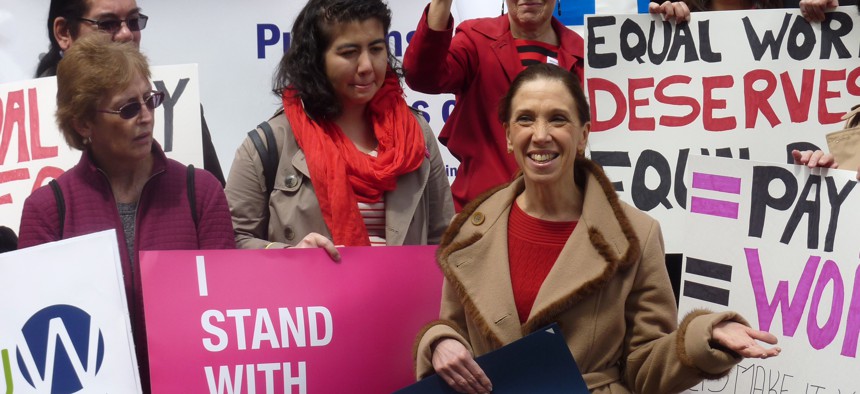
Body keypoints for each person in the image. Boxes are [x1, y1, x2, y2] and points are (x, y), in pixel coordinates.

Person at [414, 64, 780, 394]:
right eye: (526, 119)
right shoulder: (474, 229)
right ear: (509, 135)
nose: (541, 135)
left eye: (558, 119)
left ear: (584, 133)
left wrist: (705, 336)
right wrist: (440, 341)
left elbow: (644, 367)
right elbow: (455, 328)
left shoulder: (637, 233)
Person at [18, 34, 235, 393]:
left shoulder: (202, 191)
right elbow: (40, 341)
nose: (147, 117)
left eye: (150, 101)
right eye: (128, 109)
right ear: (83, 124)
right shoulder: (46, 211)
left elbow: (228, 312)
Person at [404, 0, 688, 211]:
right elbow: (422, 76)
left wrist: (666, 33)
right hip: (482, 217)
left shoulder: (591, 56)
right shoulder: (476, 40)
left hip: (562, 222)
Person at [225, 0, 454, 257]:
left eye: (376, 49)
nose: (367, 66)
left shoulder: (415, 134)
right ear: (315, 59)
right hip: (310, 295)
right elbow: (230, 239)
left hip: (405, 296)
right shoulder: (268, 144)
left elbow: (444, 239)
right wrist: (289, 253)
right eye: (349, 53)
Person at [35, 0, 227, 185]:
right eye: (107, 24)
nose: (126, 34)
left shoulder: (178, 101)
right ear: (63, 32)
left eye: (133, 21)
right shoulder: (19, 118)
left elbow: (216, 202)